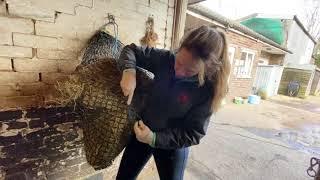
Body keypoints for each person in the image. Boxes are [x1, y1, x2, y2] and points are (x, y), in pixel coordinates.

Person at [116, 25, 231, 180]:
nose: (178, 71)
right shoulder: (166, 58)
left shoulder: (208, 90)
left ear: (207, 70)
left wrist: (154, 138)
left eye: (189, 71)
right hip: (142, 130)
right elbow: (130, 50)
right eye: (179, 62)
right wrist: (128, 71)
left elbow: (193, 133)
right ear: (179, 49)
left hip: (172, 145)